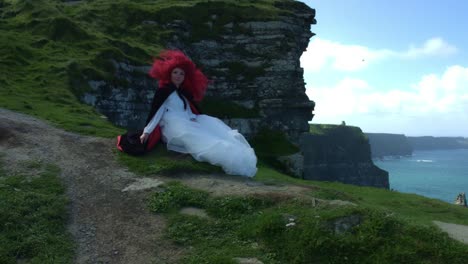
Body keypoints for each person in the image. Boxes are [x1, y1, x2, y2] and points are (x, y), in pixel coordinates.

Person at [139, 50, 257, 177]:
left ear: (185, 77)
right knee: (191, 133)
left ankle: (228, 150)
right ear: (169, 74)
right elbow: (157, 112)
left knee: (210, 124)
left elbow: (187, 109)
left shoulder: (183, 93)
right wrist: (147, 131)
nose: (178, 76)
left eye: (181, 74)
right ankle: (220, 152)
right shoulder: (164, 91)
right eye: (175, 72)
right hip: (171, 123)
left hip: (185, 119)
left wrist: (191, 117)